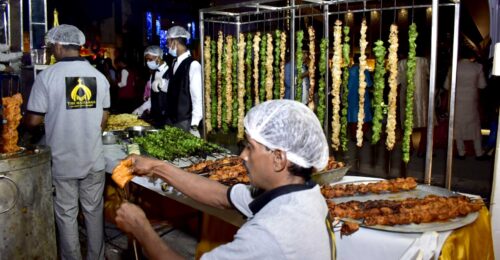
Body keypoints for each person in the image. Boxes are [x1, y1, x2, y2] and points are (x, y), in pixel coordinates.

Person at [115, 99, 334, 259]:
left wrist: (141, 229)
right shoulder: (302, 193)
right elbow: (220, 195)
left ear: (278, 159)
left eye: (250, 147)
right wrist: (158, 166)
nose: (242, 156)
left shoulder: (269, 234)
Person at [24, 24, 110, 260]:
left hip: (63, 162)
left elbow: (32, 121)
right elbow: (103, 118)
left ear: (60, 45)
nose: (51, 51)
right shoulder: (99, 77)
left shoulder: (47, 77)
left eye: (52, 47)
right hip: (93, 159)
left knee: (66, 214)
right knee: (94, 213)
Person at [444, 47, 487, 160]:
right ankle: (479, 152)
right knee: (474, 126)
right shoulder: (478, 67)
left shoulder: (453, 67)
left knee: (457, 125)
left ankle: (461, 152)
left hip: (456, 99)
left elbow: (446, 86)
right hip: (471, 100)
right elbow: (482, 85)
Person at [398, 55, 432, 156]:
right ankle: (422, 149)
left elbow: (396, 81)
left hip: (406, 95)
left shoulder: (402, 62)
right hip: (422, 95)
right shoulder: (424, 61)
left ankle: (409, 147)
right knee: (425, 122)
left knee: (407, 121)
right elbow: (430, 75)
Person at [347, 54, 373, 139]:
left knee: (353, 114)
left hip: (351, 95)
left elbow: (346, 85)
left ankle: (354, 135)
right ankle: (362, 134)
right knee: (364, 114)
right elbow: (369, 84)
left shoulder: (349, 70)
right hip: (363, 95)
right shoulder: (365, 71)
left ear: (353, 60)